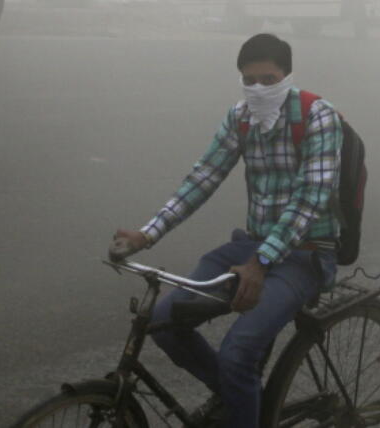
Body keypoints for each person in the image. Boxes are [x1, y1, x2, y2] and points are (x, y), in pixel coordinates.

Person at [109, 33, 341, 428]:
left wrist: (262, 261)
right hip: (251, 249)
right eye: (249, 80)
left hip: (305, 254)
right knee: (165, 322)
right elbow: (204, 177)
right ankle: (243, 401)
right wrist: (148, 233)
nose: (258, 88)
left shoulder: (319, 116)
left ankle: (241, 399)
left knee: (237, 354)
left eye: (268, 80)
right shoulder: (241, 117)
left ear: (286, 75)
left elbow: (309, 199)